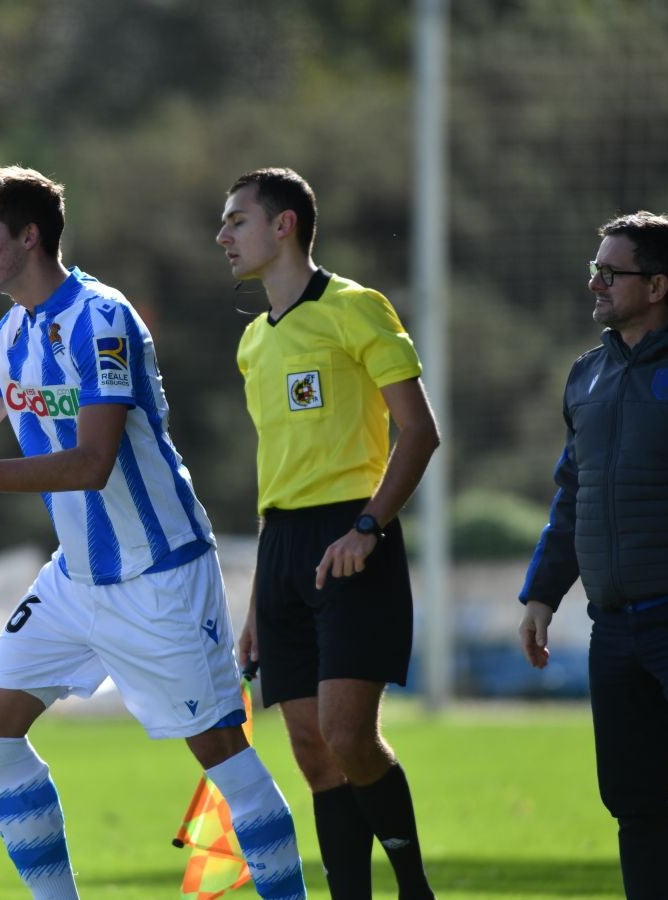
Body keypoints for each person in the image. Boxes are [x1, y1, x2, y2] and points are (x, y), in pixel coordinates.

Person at [0, 164, 305, 900]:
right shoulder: (13, 333)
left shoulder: (102, 317)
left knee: (225, 761)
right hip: (77, 579)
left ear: (29, 236)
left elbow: (94, 462)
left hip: (159, 576)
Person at [216, 167, 439, 899]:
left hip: (352, 541)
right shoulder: (253, 342)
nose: (223, 236)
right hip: (282, 551)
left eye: (236, 221)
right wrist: (254, 605)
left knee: (349, 735)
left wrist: (368, 528)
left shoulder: (355, 308)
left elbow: (420, 432)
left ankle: (413, 888)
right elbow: (276, 473)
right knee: (313, 753)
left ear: (284, 226)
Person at [518, 211, 668, 899]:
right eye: (594, 269)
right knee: (634, 802)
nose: (594, 283)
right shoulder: (587, 375)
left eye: (609, 273)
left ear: (656, 285)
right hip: (614, 629)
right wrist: (541, 593)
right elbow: (573, 493)